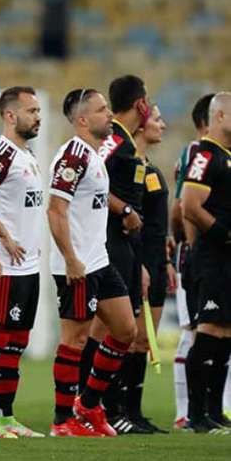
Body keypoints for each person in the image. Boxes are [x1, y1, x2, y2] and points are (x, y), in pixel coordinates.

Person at [47, 88, 137, 437]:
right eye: (102, 110)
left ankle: (88, 405)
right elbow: (55, 210)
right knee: (75, 340)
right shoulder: (72, 157)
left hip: (99, 260)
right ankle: (61, 420)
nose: (110, 115)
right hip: (77, 265)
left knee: (125, 331)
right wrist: (70, 259)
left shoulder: (93, 155)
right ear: (82, 120)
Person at [0, 86, 44, 438]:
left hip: (29, 266)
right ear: (11, 115)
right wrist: (3, 237)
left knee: (17, 344)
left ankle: (5, 416)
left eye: (39, 110)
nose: (38, 117)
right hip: (6, 264)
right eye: (31, 111)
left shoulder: (27, 154)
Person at [87, 75, 154, 434]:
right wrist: (125, 210)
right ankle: (95, 405)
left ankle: (99, 405)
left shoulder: (126, 143)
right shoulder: (113, 142)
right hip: (107, 243)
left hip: (123, 245)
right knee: (104, 327)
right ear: (140, 104)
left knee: (116, 328)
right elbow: (89, 179)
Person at [182, 92, 231, 433]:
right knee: (210, 330)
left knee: (226, 333)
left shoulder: (227, 157)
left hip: (226, 260)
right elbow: (189, 206)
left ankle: (214, 412)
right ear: (221, 116)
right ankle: (195, 415)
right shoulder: (205, 155)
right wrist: (224, 234)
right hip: (211, 257)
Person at [132, 105, 176, 431]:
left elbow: (156, 224)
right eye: (156, 119)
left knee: (145, 341)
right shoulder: (129, 168)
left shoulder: (150, 168)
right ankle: (119, 409)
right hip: (139, 263)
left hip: (157, 262)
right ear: (140, 125)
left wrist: (166, 259)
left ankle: (133, 410)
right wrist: (141, 263)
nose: (162, 124)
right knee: (131, 339)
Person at [172, 93, 213, 428]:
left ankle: (216, 408)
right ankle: (185, 411)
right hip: (199, 255)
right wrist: (189, 245)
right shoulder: (196, 153)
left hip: (215, 256)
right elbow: (182, 206)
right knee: (194, 332)